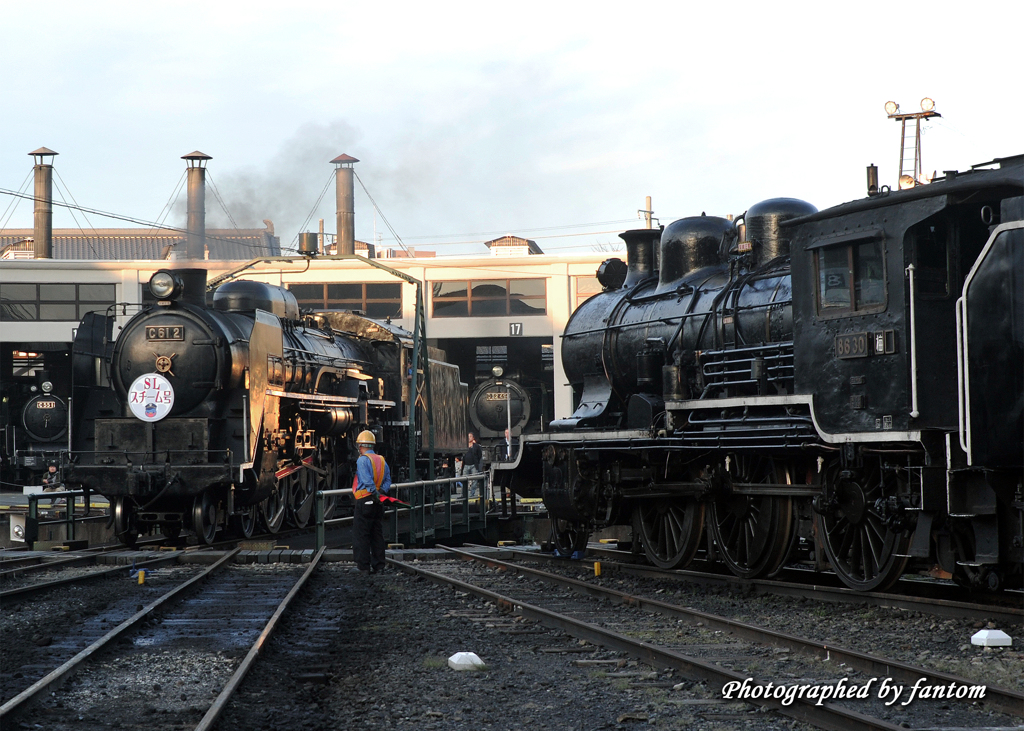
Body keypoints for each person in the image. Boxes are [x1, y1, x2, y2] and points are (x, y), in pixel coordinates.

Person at [351, 430, 391, 574]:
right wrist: (381, 494)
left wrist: (373, 493)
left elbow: (366, 480)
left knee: (361, 534)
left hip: (365, 500)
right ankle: (379, 566)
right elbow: (388, 480)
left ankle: (363, 567)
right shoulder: (381, 460)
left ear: (360, 446)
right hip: (379, 502)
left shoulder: (362, 460)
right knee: (377, 534)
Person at [462, 432, 484, 497]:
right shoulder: (464, 446)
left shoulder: (476, 446)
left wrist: (476, 461)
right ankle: (464, 494)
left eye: (470, 436)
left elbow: (480, 455)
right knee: (463, 479)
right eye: (468, 436)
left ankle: (472, 493)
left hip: (473, 465)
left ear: (473, 437)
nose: (469, 438)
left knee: (474, 480)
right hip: (466, 465)